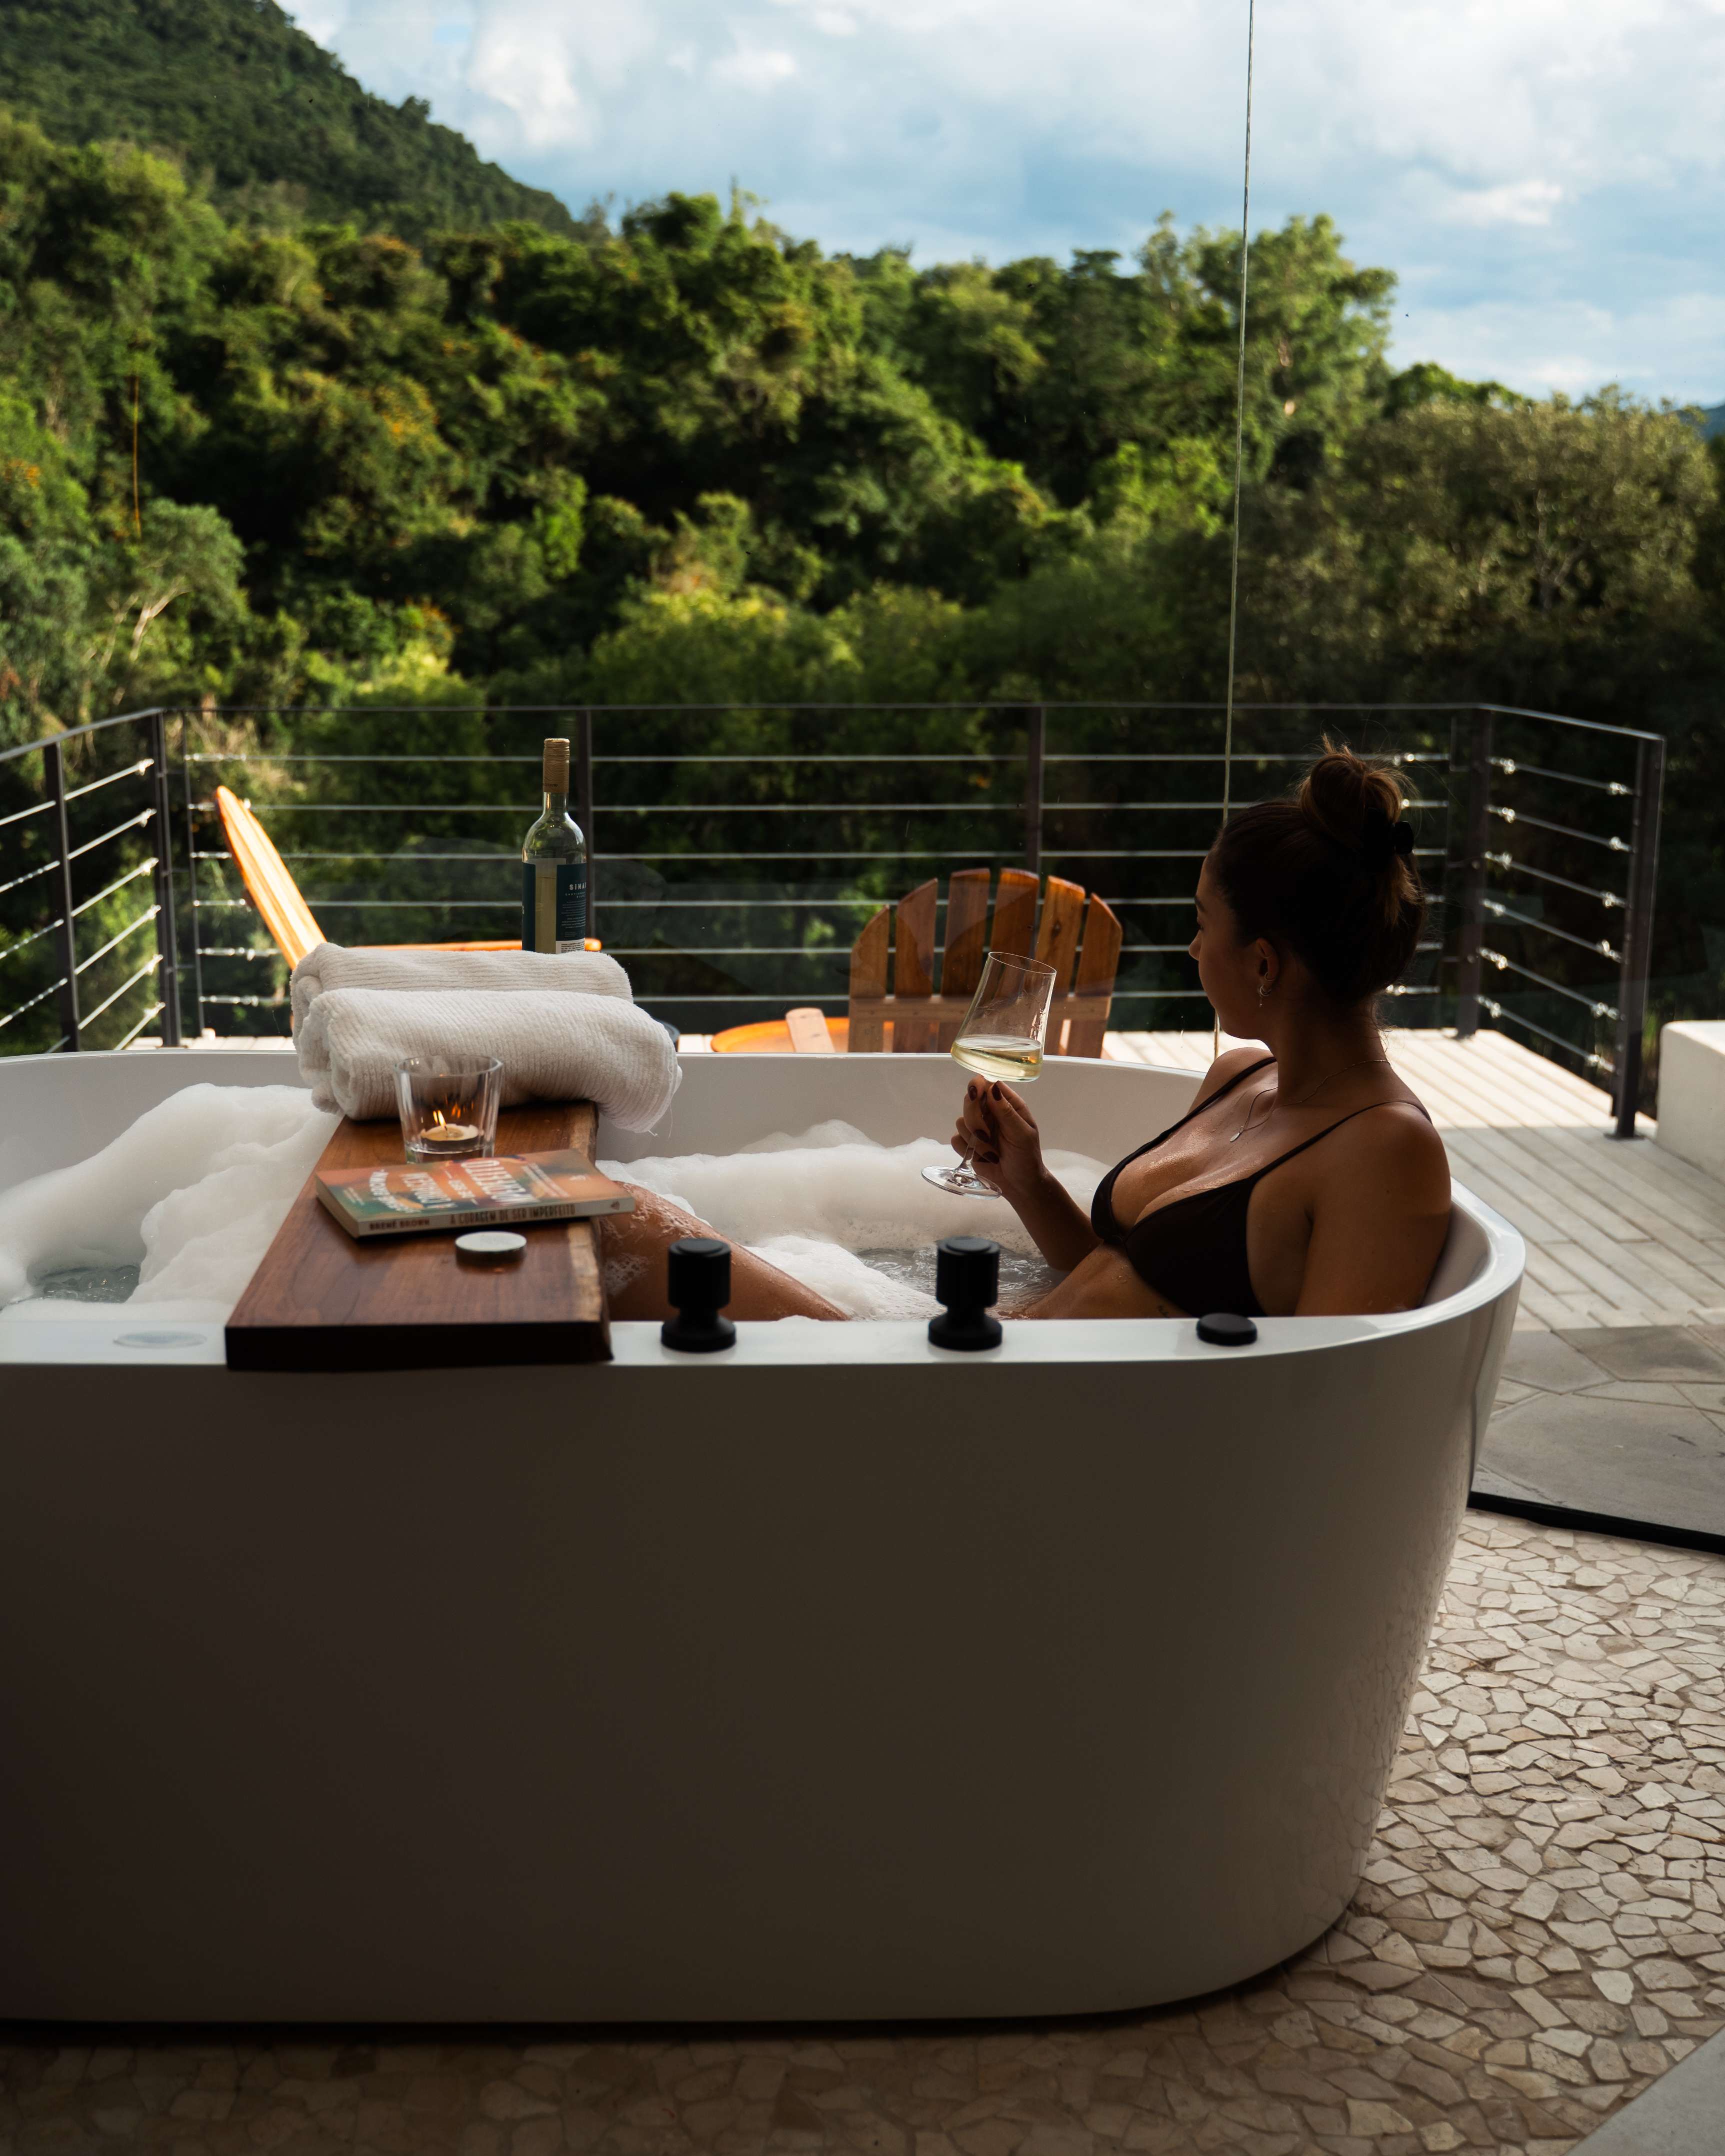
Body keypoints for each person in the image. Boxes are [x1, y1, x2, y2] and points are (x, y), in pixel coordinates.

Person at [598, 743, 1452, 1323]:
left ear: (1263, 962)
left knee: (627, 1229)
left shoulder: (1384, 1151)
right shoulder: (1239, 1077)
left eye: (1202, 923)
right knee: (622, 1222)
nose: (1192, 949)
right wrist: (1028, 1182)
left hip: (1032, 1421)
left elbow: (1334, 1398)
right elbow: (1124, 1276)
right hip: (1005, 1366)